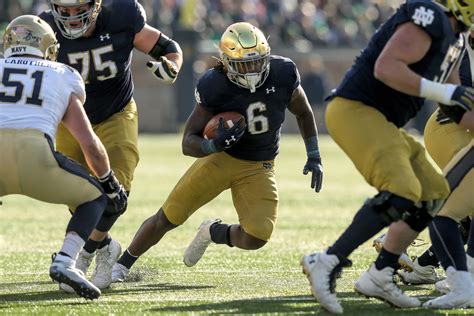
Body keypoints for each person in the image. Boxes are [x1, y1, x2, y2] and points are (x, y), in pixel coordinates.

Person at [110, 22, 324, 282]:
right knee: (169, 216)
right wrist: (213, 146)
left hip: (259, 165)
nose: (253, 70)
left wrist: (314, 154)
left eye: (257, 61)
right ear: (227, 61)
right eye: (245, 64)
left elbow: (303, 111)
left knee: (257, 235)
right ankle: (121, 266)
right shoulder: (215, 84)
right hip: (221, 160)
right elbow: (187, 142)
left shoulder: (283, 72)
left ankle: (212, 232)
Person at [300, 0, 474, 313]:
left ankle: (381, 273)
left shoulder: (457, 42)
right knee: (402, 189)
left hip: (384, 122)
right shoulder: (430, 16)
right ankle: (327, 261)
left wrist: (452, 96)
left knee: (434, 192)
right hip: (356, 109)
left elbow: (458, 109)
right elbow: (387, 67)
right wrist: (448, 93)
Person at [38, 0, 183, 290]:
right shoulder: (44, 29)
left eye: (78, 8)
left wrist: (172, 66)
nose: (71, 17)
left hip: (116, 112)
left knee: (116, 187)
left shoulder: (122, 16)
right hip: (69, 117)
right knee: (76, 193)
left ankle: (85, 252)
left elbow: (169, 48)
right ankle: (104, 247)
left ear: (96, 5)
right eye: (64, 10)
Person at [0, 15, 126, 300]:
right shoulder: (61, 73)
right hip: (34, 153)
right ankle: (66, 260)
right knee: (94, 197)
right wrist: (108, 182)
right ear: (46, 46)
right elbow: (89, 143)